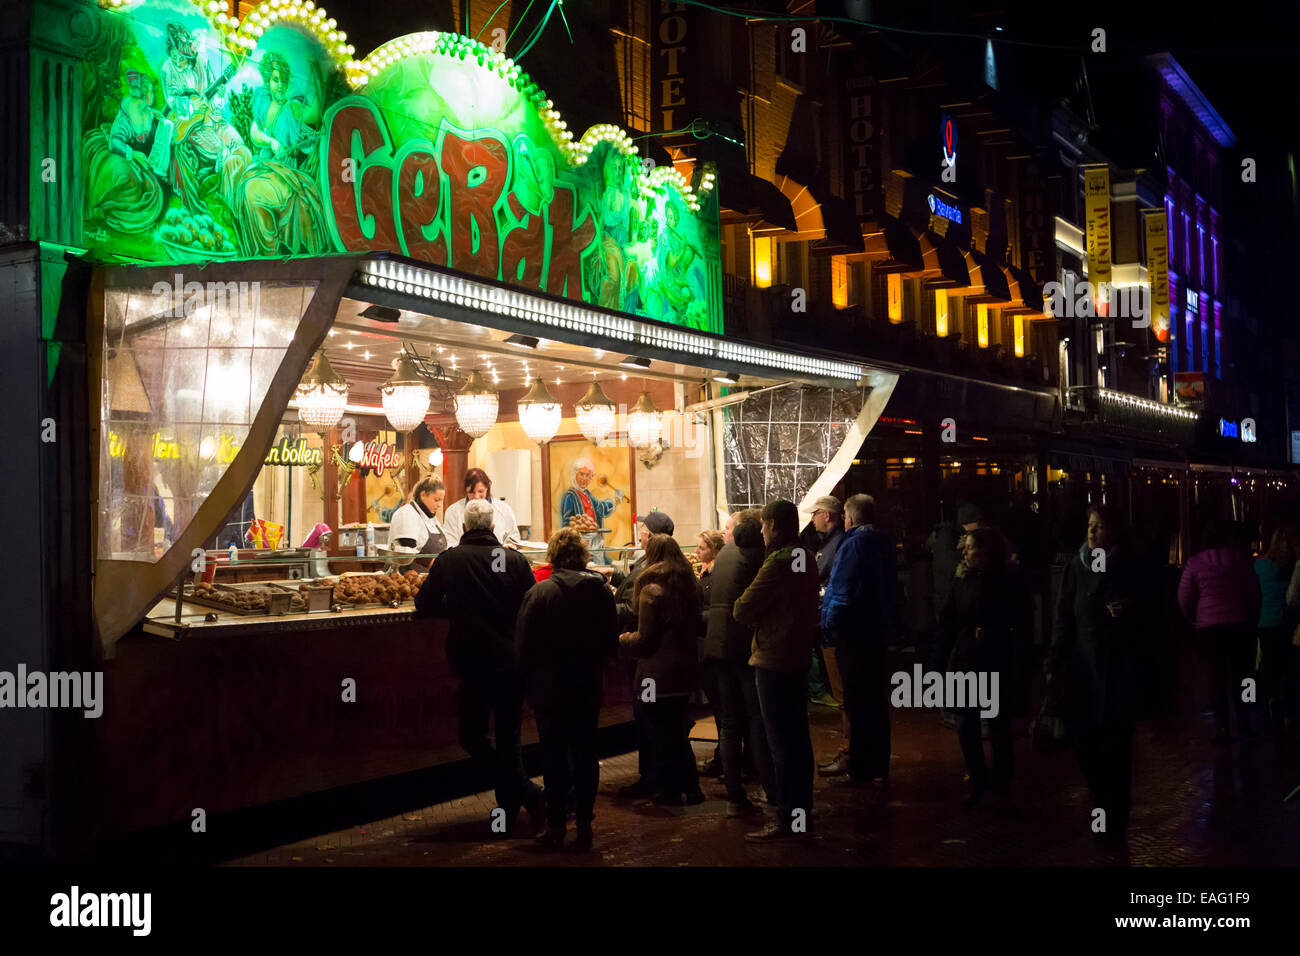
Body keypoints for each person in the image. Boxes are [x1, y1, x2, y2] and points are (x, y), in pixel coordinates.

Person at [414, 498, 541, 835]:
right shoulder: (514, 561)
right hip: (512, 661)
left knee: (471, 735)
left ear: (466, 528)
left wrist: (455, 605)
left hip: (472, 660)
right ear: (495, 527)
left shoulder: (449, 561)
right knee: (509, 736)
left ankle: (514, 804)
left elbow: (423, 604)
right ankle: (524, 794)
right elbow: (532, 605)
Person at [1048, 504, 1147, 847]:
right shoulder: (1077, 566)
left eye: (1100, 526)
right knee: (1084, 742)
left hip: (1117, 668)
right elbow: (1064, 614)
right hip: (1082, 668)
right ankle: (1104, 800)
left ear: (1115, 531)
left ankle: (1112, 817)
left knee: (1116, 746)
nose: (1092, 532)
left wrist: (1127, 611)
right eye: (1090, 525)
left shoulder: (1128, 565)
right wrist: (1054, 661)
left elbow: (1150, 610)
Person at [516, 528, 619, 851]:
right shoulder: (600, 592)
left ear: (554, 556)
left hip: (550, 689)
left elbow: (523, 644)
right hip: (587, 685)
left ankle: (557, 824)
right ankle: (585, 823)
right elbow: (610, 641)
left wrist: (528, 681)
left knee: (554, 757)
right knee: (586, 754)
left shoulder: (541, 593)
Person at [735, 500, 821, 841]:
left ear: (775, 526)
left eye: (764, 524)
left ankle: (789, 819)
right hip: (798, 654)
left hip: (773, 658)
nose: (760, 530)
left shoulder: (779, 562)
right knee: (798, 740)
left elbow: (743, 608)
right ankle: (802, 814)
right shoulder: (806, 556)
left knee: (781, 743)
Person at [936, 527, 1020, 809]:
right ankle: (977, 778)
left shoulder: (1006, 580)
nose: (964, 551)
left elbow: (1018, 625)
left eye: (970, 547)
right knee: (965, 722)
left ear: (986, 552)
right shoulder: (963, 578)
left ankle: (1001, 784)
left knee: (997, 726)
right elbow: (949, 618)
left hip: (995, 656)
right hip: (967, 656)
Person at [619, 534, 705, 806]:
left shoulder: (651, 589)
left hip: (655, 673)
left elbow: (646, 639)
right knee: (677, 731)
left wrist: (624, 639)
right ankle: (691, 788)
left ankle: (668, 791)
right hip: (685, 669)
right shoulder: (691, 586)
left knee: (660, 733)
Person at [703, 510, 776, 817]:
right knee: (756, 718)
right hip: (744, 646)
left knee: (730, 722)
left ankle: (735, 796)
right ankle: (773, 793)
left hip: (718, 645)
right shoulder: (759, 555)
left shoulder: (726, 553)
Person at [820, 494, 896, 785]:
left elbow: (841, 592)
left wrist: (829, 626)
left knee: (856, 702)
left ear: (849, 518)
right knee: (875, 702)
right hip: (875, 632)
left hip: (853, 635)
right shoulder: (882, 541)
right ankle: (878, 767)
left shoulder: (853, 544)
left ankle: (860, 769)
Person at [1178, 518, 1262, 741]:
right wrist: (1253, 615)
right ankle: (1246, 719)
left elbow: (1184, 597)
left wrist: (1194, 618)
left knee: (1216, 677)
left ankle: (1223, 724)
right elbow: (1254, 590)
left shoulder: (1195, 563)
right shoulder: (1240, 560)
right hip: (1240, 624)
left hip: (1209, 628)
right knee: (1245, 676)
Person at [611, 509, 675, 798]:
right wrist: (617, 574)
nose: (641, 534)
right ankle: (664, 780)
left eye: (644, 531)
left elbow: (635, 612)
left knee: (649, 718)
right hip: (656, 661)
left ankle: (655, 781)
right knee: (656, 719)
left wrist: (612, 622)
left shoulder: (653, 575)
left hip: (647, 661)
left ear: (651, 536)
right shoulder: (670, 568)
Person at [1255, 528, 1297, 736]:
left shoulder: (1259, 566)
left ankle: (1270, 700)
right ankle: (1289, 708)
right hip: (1289, 621)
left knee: (1269, 664)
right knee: (1290, 666)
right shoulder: (1294, 565)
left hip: (1265, 621)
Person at [806, 496, 845, 711]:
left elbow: (820, 572)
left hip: (828, 614)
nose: (812, 519)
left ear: (827, 515)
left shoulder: (836, 543)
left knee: (837, 670)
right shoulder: (827, 541)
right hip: (824, 612)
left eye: (815, 514)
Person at [694, 528, 725, 777]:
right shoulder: (706, 572)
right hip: (707, 646)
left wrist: (694, 618)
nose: (696, 552)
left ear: (714, 550)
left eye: (701, 548)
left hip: (710, 647)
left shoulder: (715, 576)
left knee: (722, 706)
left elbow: (715, 610)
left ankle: (725, 757)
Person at [559, 457, 625, 566]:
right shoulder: (570, 496)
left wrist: (615, 501)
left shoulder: (588, 494)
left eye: (588, 475)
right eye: (582, 474)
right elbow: (566, 525)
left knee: (599, 564)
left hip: (595, 541)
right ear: (574, 475)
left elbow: (600, 508)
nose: (585, 478)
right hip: (580, 546)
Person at [443, 468, 522, 548]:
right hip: (464, 559)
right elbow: (450, 543)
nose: (477, 497)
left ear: (487, 488)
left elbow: (513, 540)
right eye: (471, 492)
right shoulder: (453, 512)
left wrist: (505, 547)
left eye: (480, 491)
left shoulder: (504, 509)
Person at [388, 475, 449, 571]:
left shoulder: (433, 520)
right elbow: (408, 546)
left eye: (441, 500)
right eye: (436, 500)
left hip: (428, 576)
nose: (440, 505)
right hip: (405, 577)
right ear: (423, 495)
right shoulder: (406, 513)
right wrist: (435, 564)